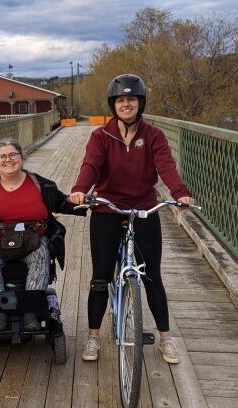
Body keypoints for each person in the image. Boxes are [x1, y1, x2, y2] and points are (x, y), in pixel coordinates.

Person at [68, 74, 195, 364]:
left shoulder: (154, 136)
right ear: (114, 105)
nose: (127, 104)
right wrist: (79, 190)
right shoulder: (101, 136)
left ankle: (166, 339)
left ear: (140, 103)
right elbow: (91, 165)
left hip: (143, 209)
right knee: (100, 276)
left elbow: (166, 166)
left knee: (152, 275)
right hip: (107, 209)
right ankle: (93, 337)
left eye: (132, 99)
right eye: (121, 100)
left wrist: (180, 193)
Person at [0, 138, 85, 332]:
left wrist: (79, 200)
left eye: (13, 155)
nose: (8, 160)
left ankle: (30, 312)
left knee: (42, 250)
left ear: (22, 157)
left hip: (30, 241)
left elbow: (61, 202)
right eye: (3, 156)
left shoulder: (38, 183)